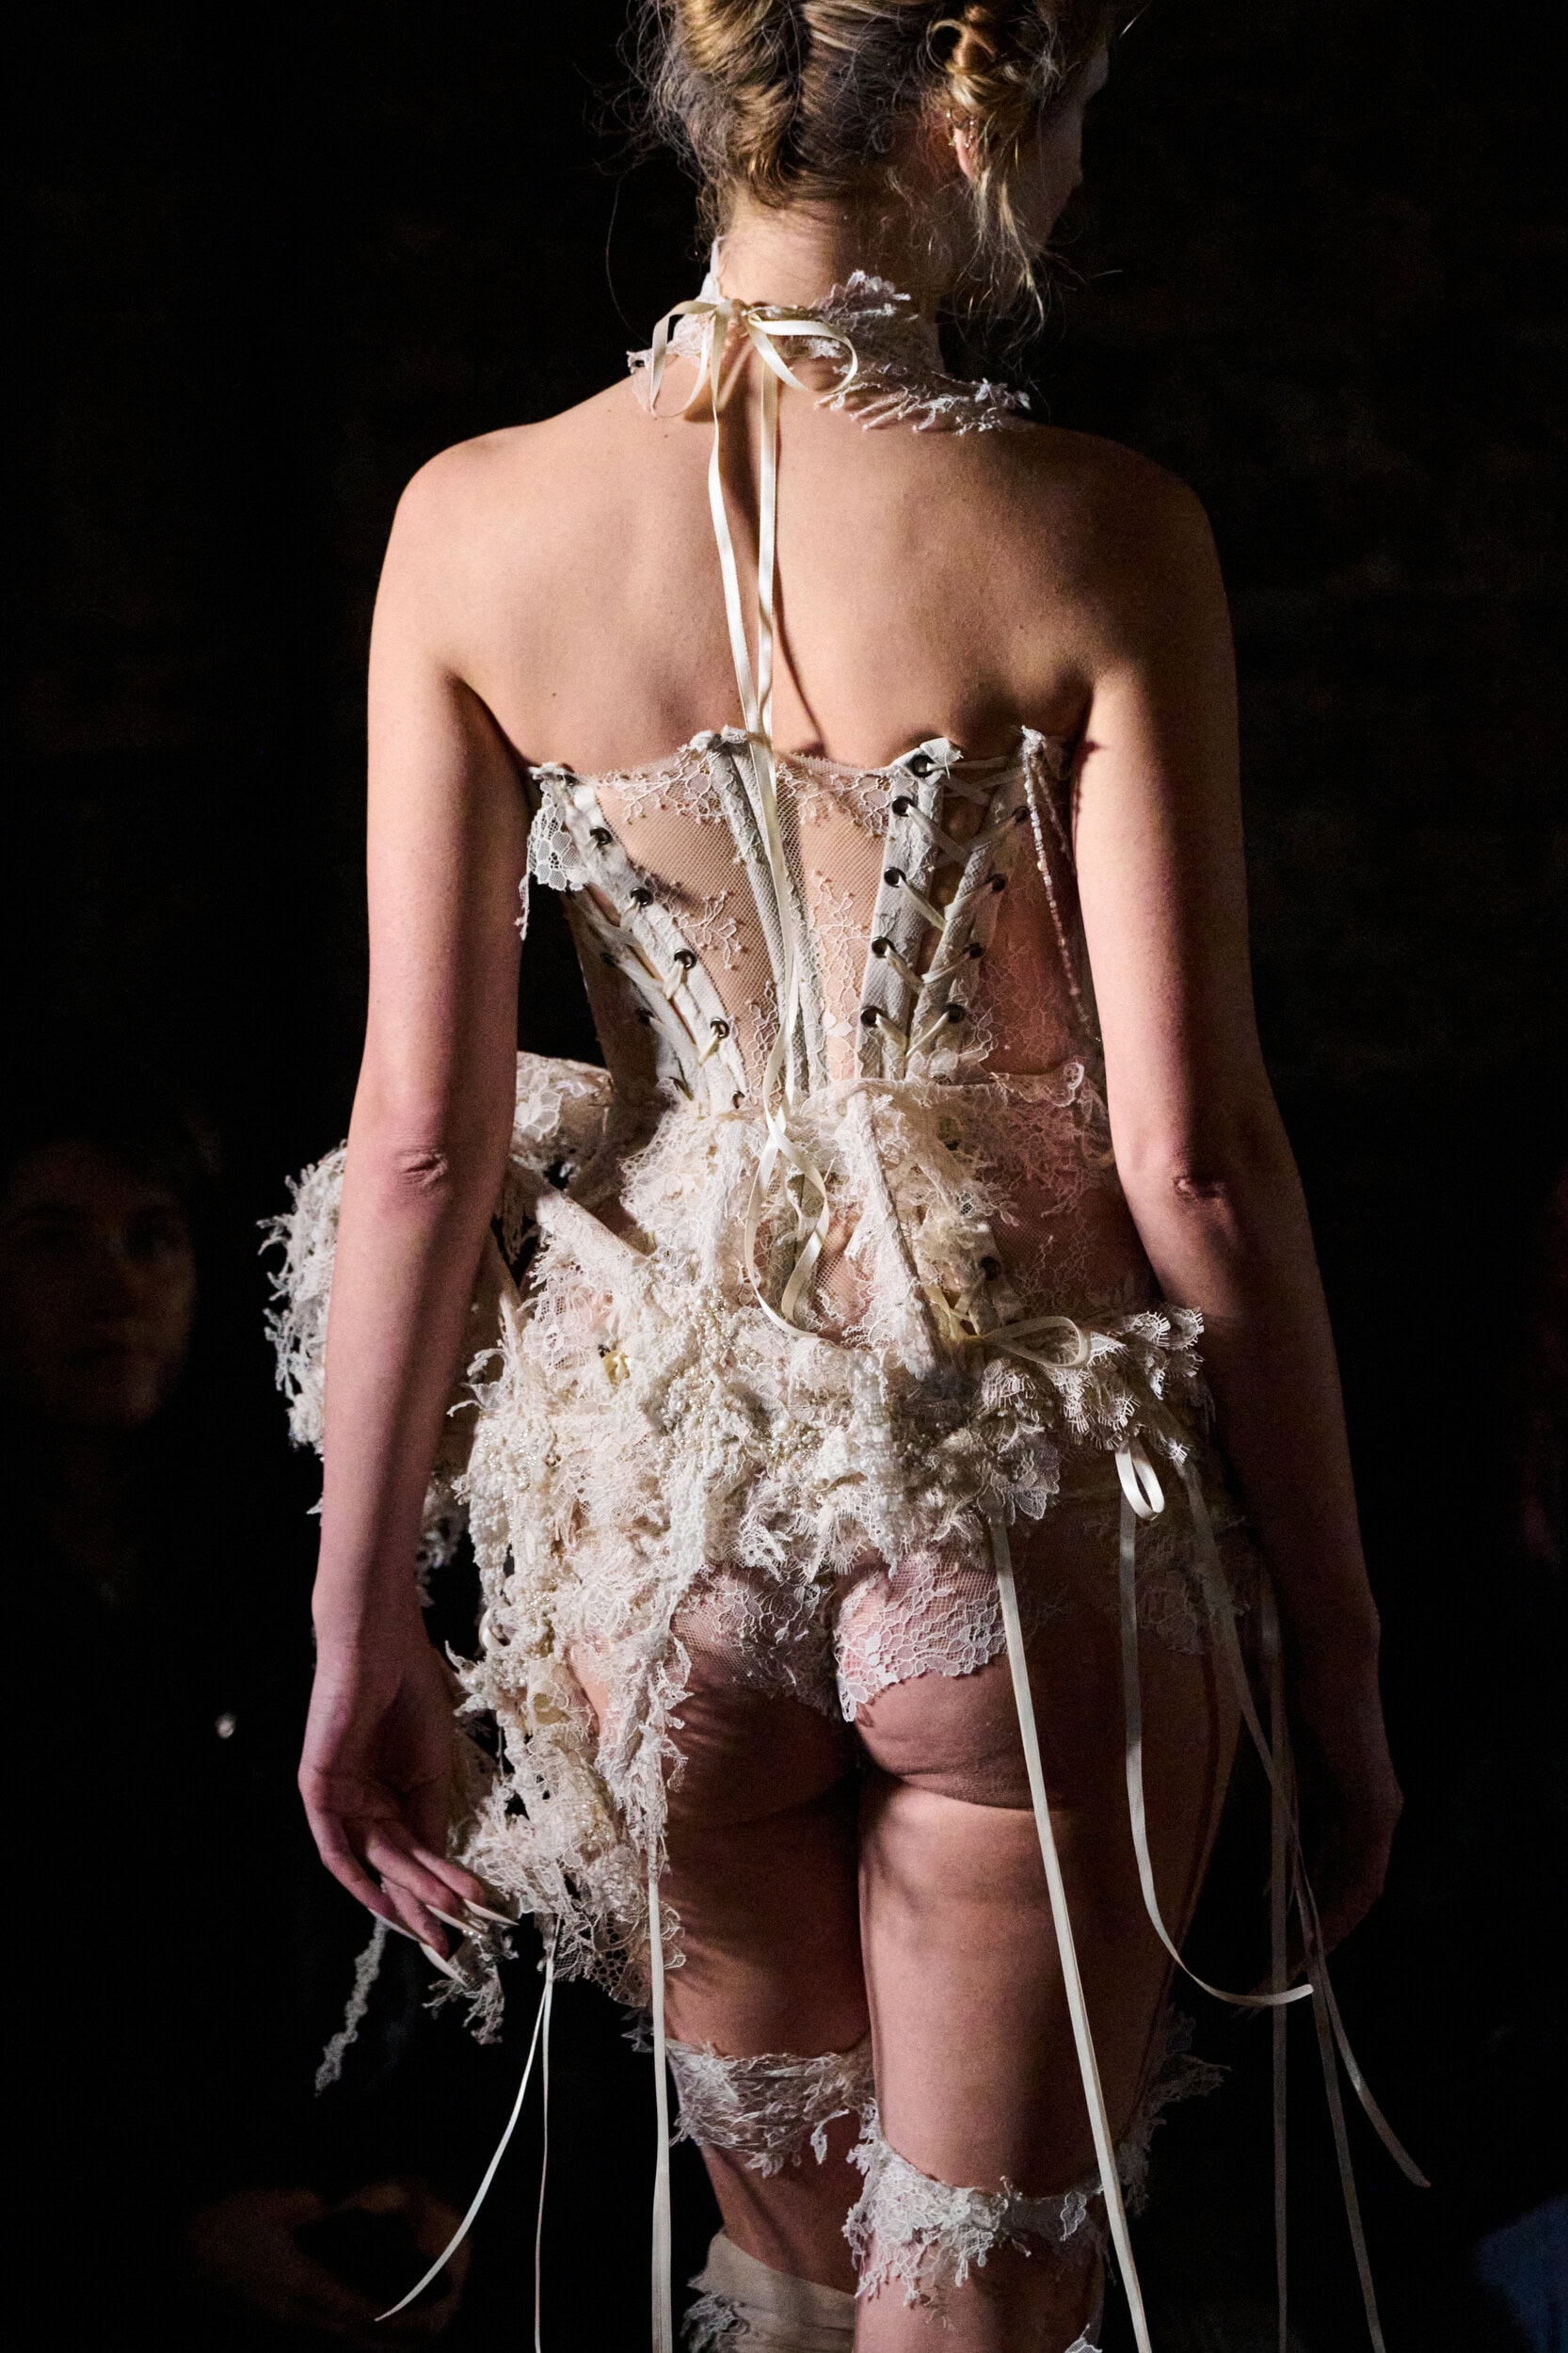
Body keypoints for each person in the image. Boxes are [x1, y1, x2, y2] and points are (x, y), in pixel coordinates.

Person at [280, 7, 1407, 2347]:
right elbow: (1196, 1156)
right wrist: (1340, 1628)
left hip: (653, 1519)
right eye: (1076, 120)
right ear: (982, 113)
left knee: (791, 2303)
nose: (1074, 175)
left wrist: (357, 1615)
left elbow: (418, 1139)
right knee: (976, 2312)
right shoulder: (1094, 527)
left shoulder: (467, 525)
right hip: (1008, 1502)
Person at [0, 1064, 473, 2345]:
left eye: (152, 1238)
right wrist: (164, 2227)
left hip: (332, 2201)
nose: (114, 1287)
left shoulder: (280, 1564)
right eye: (51, 1241)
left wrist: (432, 2184)